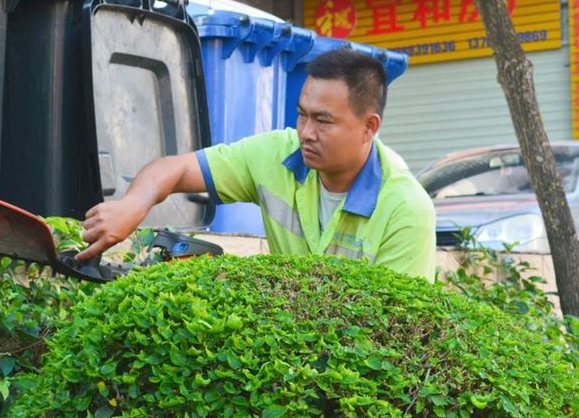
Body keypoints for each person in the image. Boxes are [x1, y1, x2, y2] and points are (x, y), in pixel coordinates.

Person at [76, 49, 436, 280]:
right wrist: (132, 205)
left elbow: (394, 332)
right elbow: (172, 169)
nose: (306, 133)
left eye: (323, 121)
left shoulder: (405, 209)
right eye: (301, 115)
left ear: (369, 127)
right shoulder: (277, 154)